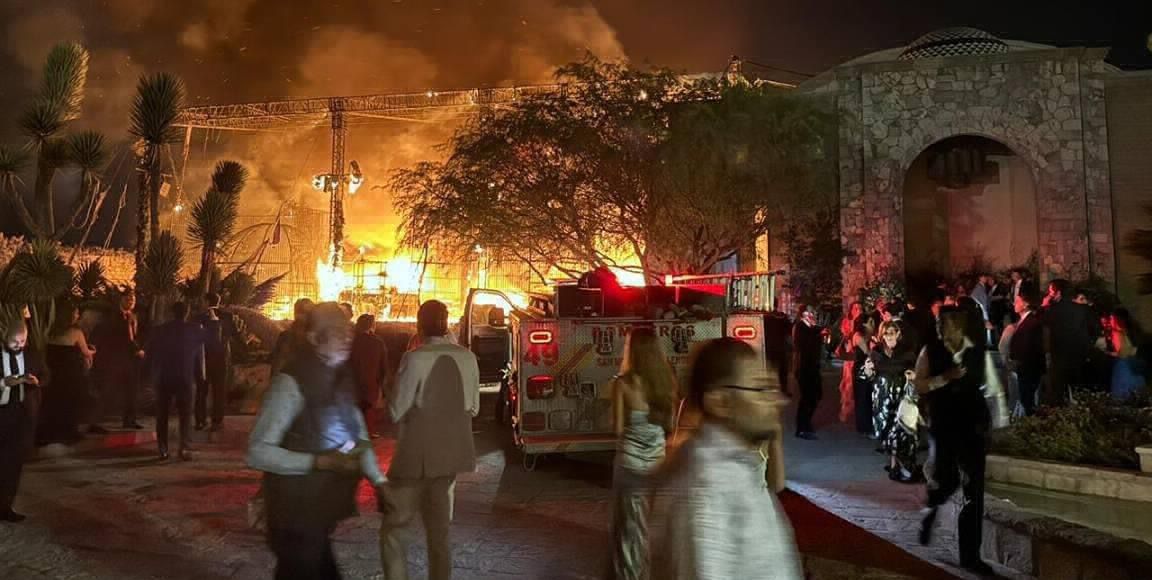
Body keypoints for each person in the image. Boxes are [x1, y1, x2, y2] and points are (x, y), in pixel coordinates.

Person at [248, 302, 386, 580]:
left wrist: (379, 482)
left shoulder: (340, 377)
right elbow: (257, 452)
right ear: (313, 338)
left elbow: (358, 436)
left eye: (348, 329)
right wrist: (319, 461)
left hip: (317, 516)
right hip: (292, 517)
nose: (347, 337)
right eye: (336, 331)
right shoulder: (290, 384)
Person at [650, 337, 802, 580]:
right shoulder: (709, 482)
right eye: (761, 388)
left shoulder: (736, 467)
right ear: (720, 402)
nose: (777, 400)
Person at [379, 300, 480, 580]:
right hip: (450, 459)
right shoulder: (468, 357)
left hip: (414, 461)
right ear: (446, 323)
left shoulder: (414, 358)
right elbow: (473, 407)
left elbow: (396, 411)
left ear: (419, 324)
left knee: (395, 531)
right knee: (440, 536)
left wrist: (390, 387)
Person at [914, 307, 994, 575]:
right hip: (943, 425)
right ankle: (931, 508)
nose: (939, 329)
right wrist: (943, 378)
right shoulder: (931, 351)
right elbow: (919, 385)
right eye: (938, 324)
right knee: (946, 480)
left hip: (972, 426)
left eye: (944, 324)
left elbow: (991, 388)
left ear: (957, 327)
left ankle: (970, 556)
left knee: (974, 491)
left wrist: (997, 422)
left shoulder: (977, 352)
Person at [600, 328, 677, 580]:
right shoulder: (667, 381)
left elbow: (618, 428)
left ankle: (630, 575)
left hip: (630, 465)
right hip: (658, 465)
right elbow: (671, 427)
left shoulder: (622, 384)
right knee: (651, 525)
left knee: (628, 528)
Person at [145, 302, 206, 461]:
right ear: (186, 312)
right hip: (185, 377)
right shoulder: (195, 330)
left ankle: (163, 449)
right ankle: (183, 447)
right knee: (185, 414)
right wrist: (200, 377)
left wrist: (151, 376)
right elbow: (199, 355)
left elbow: (150, 354)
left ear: (171, 312)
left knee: (162, 414)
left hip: (164, 377)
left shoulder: (160, 330)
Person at [861, 321, 920, 482]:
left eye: (892, 332)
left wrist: (913, 375)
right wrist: (868, 370)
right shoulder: (876, 352)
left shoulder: (907, 352)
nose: (889, 336)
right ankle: (896, 464)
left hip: (901, 396)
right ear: (882, 335)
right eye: (886, 333)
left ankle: (895, 466)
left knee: (899, 430)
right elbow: (867, 375)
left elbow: (917, 371)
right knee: (886, 431)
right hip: (882, 398)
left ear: (898, 334)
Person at [1, 321, 47, 523]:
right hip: (1, 411)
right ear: (5, 338)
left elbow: (47, 374)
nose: (19, 345)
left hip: (22, 414)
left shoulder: (32, 354)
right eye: (14, 341)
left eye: (22, 341)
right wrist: (3, 383)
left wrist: (37, 381)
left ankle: (5, 507)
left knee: (14, 464)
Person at [38, 300, 97, 445]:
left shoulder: (49, 331)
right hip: (70, 375)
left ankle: (51, 432)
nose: (78, 315)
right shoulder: (75, 332)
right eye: (76, 313)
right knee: (70, 402)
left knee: (54, 402)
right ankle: (68, 432)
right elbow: (85, 351)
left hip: (54, 373)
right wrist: (93, 351)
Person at [91, 291, 145, 429]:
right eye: (128, 299)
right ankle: (95, 422)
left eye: (133, 299)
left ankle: (129, 420)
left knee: (132, 391)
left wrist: (139, 349)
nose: (131, 301)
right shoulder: (112, 316)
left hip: (131, 360)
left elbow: (135, 336)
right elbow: (117, 336)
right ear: (121, 299)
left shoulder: (134, 316)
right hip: (114, 360)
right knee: (107, 390)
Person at [1042, 279, 1094, 406]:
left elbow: (1043, 328)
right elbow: (1092, 331)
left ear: (1057, 293)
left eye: (1050, 291)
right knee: (1079, 393)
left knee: (1057, 395)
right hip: (1079, 357)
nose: (1049, 294)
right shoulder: (1082, 310)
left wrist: (1044, 305)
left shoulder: (1052, 311)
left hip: (1059, 358)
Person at [196, 293, 236, 432]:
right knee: (219, 390)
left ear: (206, 301)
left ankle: (200, 420)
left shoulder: (199, 318)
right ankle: (217, 420)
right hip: (221, 359)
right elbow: (233, 335)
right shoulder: (228, 317)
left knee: (202, 391)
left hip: (204, 360)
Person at [792, 304, 827, 440]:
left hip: (813, 366)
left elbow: (818, 333)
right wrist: (819, 335)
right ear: (804, 314)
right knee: (807, 397)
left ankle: (807, 423)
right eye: (810, 312)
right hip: (804, 367)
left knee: (816, 395)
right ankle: (802, 427)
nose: (813, 314)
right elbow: (805, 344)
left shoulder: (812, 327)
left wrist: (820, 332)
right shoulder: (800, 327)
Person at [350, 314, 388, 438]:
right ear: (372, 326)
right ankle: (368, 435)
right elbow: (383, 367)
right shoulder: (378, 342)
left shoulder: (351, 341)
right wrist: (381, 384)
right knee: (368, 414)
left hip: (353, 385)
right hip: (371, 385)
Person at [1007, 294, 1045, 416]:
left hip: (1029, 367)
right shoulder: (1025, 321)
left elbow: (1030, 346)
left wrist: (1017, 360)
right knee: (1026, 398)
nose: (1014, 304)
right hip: (1025, 366)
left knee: (1028, 399)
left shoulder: (1031, 322)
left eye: (1017, 301)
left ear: (1026, 304)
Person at [1108, 308, 1146, 400]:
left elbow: (1122, 351)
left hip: (1126, 368)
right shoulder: (1134, 329)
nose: (1110, 321)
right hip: (1136, 367)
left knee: (1123, 397)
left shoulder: (1119, 333)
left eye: (1112, 319)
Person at [835, 302, 864, 425]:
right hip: (850, 353)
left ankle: (857, 411)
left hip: (859, 354)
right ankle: (847, 410)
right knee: (849, 382)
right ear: (851, 309)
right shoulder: (848, 321)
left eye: (859, 308)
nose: (857, 310)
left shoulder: (863, 320)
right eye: (855, 308)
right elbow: (847, 335)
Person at [272, 298, 315, 375]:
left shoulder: (315, 338)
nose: (303, 316)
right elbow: (278, 365)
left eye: (307, 313)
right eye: (302, 311)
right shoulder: (286, 337)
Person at [850, 321, 874, 436]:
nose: (872, 325)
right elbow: (867, 352)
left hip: (863, 369)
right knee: (862, 398)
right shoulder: (859, 336)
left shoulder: (865, 336)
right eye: (870, 323)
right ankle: (864, 427)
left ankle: (865, 426)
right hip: (861, 370)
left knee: (864, 398)